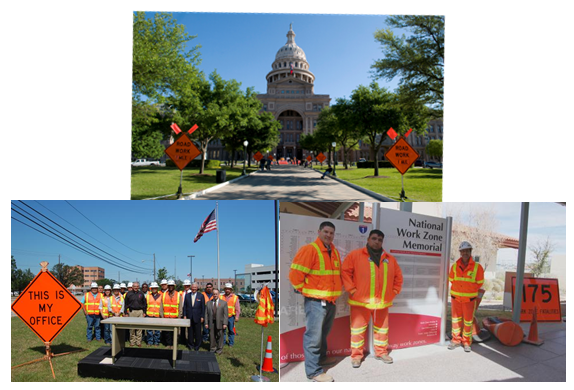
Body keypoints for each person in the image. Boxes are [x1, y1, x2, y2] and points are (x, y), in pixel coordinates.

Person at [288, 221, 342, 382]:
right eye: (326, 231)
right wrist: (306, 291)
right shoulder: (310, 249)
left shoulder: (335, 252)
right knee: (313, 336)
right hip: (316, 302)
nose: (329, 235)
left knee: (323, 334)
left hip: (330, 301)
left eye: (331, 233)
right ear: (319, 232)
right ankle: (313, 371)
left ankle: (321, 358)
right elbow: (295, 275)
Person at [341, 229, 403, 368]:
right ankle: (356, 356)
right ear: (368, 239)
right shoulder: (355, 255)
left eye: (380, 240)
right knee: (357, 330)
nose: (377, 242)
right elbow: (345, 272)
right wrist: (352, 290)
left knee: (382, 330)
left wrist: (393, 292)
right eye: (374, 238)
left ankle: (381, 353)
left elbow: (398, 277)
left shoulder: (389, 259)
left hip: (381, 303)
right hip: (360, 302)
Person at [448, 241, 484, 353]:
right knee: (455, 321)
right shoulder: (454, 267)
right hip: (456, 299)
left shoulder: (478, 267)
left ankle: (466, 342)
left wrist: (468, 291)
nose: (465, 253)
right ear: (460, 253)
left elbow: (479, 283)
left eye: (467, 251)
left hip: (469, 300)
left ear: (470, 252)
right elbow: (452, 280)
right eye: (463, 251)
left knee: (468, 322)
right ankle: (455, 340)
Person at [183, 282, 205, 351]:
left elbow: (203, 307)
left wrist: (202, 316)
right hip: (189, 316)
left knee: (198, 332)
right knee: (190, 332)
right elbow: (185, 306)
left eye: (195, 287)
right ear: (191, 288)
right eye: (193, 287)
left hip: (197, 317)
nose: (194, 289)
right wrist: (184, 315)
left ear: (197, 288)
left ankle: (197, 345)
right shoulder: (187, 296)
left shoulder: (201, 296)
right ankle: (190, 345)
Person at [205, 288, 228, 354]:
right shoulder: (209, 303)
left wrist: (225, 323)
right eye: (214, 294)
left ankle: (219, 349)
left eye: (216, 294)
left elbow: (225, 314)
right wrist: (206, 323)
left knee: (220, 336)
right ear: (212, 294)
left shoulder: (223, 303)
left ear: (219, 294)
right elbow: (206, 314)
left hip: (220, 322)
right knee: (212, 336)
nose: (215, 295)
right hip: (211, 322)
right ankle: (212, 348)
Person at [161, 279, 183, 349]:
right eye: (169, 286)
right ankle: (168, 344)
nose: (170, 287)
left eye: (172, 286)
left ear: (174, 286)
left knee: (175, 332)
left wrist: (180, 316)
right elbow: (161, 306)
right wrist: (162, 316)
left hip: (175, 317)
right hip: (166, 317)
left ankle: (174, 344)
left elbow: (180, 306)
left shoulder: (178, 294)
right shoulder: (164, 294)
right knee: (167, 332)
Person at [124, 281, 147, 347]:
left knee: (139, 328)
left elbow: (145, 304)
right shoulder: (128, 294)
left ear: (138, 287)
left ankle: (138, 342)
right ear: (132, 287)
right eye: (134, 286)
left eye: (137, 286)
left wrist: (144, 312)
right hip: (132, 312)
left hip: (140, 312)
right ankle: (132, 341)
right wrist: (126, 312)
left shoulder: (141, 294)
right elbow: (126, 304)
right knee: (132, 328)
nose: (136, 287)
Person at [146, 282, 163, 347]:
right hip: (149, 315)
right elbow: (145, 305)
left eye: (155, 288)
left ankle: (156, 342)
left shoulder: (161, 296)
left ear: (157, 288)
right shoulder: (148, 296)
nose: (154, 289)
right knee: (149, 330)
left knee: (157, 330)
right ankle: (150, 342)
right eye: (152, 288)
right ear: (151, 289)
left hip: (157, 315)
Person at [179, 280, 192, 345]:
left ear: (189, 286)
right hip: (181, 310)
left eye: (188, 285)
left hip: (188, 311)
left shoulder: (191, 292)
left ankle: (189, 339)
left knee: (189, 327)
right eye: (185, 285)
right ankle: (182, 340)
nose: (186, 287)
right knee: (182, 327)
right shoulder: (181, 293)